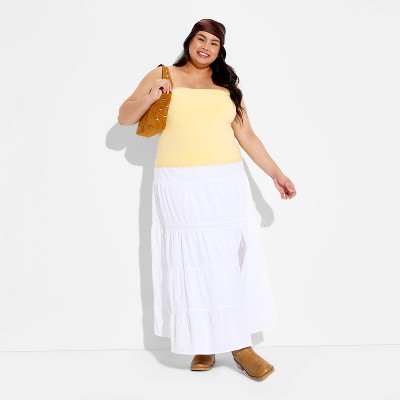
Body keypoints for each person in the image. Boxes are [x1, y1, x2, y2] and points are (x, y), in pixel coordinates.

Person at [118, 18, 296, 381]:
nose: (206, 47)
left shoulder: (227, 85)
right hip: (178, 181)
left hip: (225, 181)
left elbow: (247, 136)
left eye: (214, 43)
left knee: (226, 261)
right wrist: (152, 96)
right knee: (192, 261)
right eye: (201, 39)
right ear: (189, 41)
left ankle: (240, 346)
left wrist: (276, 173)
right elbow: (124, 117)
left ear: (220, 50)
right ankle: (203, 341)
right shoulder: (163, 74)